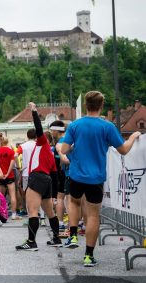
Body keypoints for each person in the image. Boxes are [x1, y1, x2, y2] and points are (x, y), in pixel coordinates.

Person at [61, 91, 141, 267]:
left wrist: (74, 147)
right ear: (101, 106)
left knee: (73, 202)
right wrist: (134, 137)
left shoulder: (75, 125)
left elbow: (64, 149)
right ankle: (89, 256)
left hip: (76, 175)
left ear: (86, 106)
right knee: (93, 215)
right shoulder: (107, 127)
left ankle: (73, 234)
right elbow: (123, 150)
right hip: (95, 178)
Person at [15, 102, 61, 251]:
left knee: (32, 211)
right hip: (47, 181)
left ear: (43, 139)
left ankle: (31, 241)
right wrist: (54, 195)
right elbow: (55, 176)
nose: (36, 140)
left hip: (37, 177)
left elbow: (39, 129)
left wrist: (34, 111)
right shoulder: (50, 154)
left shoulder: (42, 144)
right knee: (50, 212)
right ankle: (56, 238)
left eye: (38, 138)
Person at [0, 137, 19, 220]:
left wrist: (1, 174)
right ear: (8, 142)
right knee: (12, 195)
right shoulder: (11, 151)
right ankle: (13, 214)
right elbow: (12, 164)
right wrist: (8, 173)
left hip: (0, 175)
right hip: (9, 176)